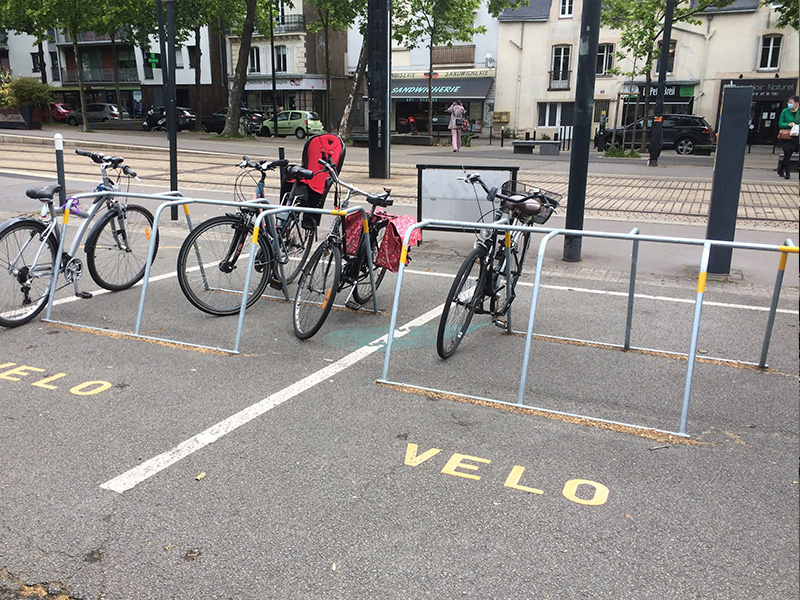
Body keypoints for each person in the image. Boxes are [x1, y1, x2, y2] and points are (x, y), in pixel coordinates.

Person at [777, 95, 799, 180]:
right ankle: (787, 173)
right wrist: (788, 124)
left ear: (796, 103)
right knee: (787, 153)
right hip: (786, 136)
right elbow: (780, 123)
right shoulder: (785, 111)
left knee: (788, 155)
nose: (789, 104)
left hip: (796, 136)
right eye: (788, 102)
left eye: (791, 103)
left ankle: (780, 169)